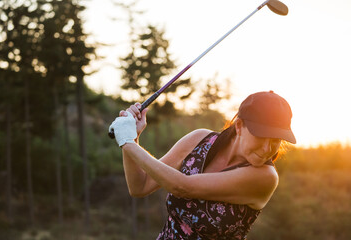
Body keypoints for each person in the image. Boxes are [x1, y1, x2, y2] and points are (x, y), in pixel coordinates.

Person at [109, 90, 296, 239]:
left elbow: (183, 187)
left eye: (275, 140)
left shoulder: (264, 177)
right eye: (261, 136)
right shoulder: (199, 140)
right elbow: (139, 186)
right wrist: (132, 137)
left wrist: (127, 142)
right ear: (239, 126)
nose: (266, 148)